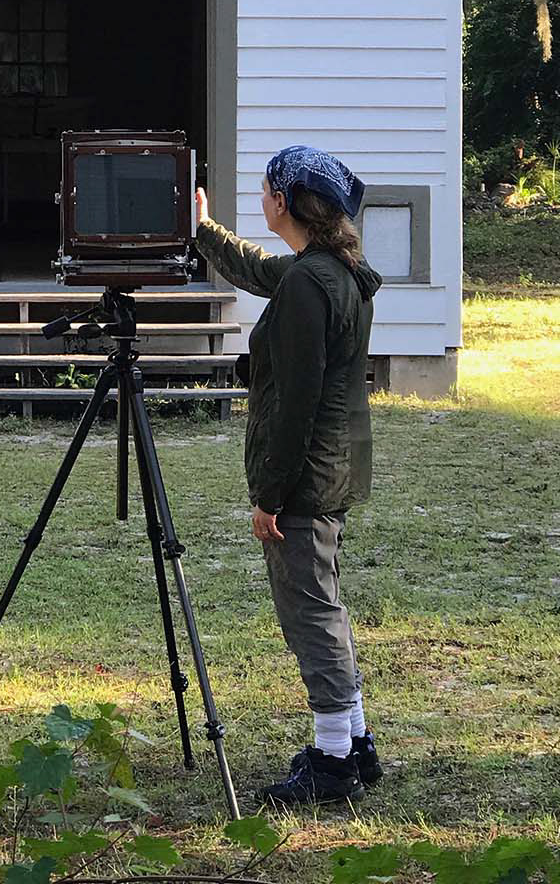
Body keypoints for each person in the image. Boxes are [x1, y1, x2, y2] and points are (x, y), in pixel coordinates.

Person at [194, 145, 383, 807]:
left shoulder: (311, 282)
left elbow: (298, 402)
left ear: (285, 201)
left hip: (306, 476)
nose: (262, 196)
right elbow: (258, 268)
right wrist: (203, 228)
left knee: (310, 614)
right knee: (324, 604)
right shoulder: (331, 269)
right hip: (335, 467)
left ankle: (333, 763)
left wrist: (269, 495)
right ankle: (353, 741)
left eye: (268, 188)